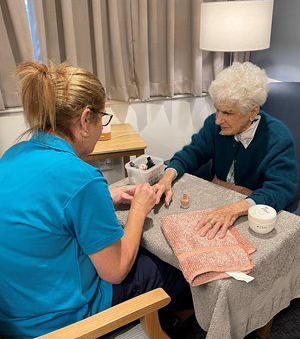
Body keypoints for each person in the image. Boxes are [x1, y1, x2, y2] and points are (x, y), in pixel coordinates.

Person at [0, 62, 193, 338]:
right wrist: (139, 210)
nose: (103, 127)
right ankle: (173, 322)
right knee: (164, 269)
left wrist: (106, 197)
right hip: (61, 325)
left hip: (15, 314)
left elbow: (51, 210)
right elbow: (115, 271)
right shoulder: (81, 177)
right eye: (102, 117)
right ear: (85, 119)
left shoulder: (13, 154)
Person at [154, 62, 297, 240]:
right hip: (217, 198)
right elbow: (192, 153)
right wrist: (167, 177)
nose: (218, 120)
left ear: (252, 112)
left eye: (228, 113)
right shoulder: (214, 125)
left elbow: (282, 188)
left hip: (252, 210)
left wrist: (235, 208)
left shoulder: (277, 138)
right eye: (217, 110)